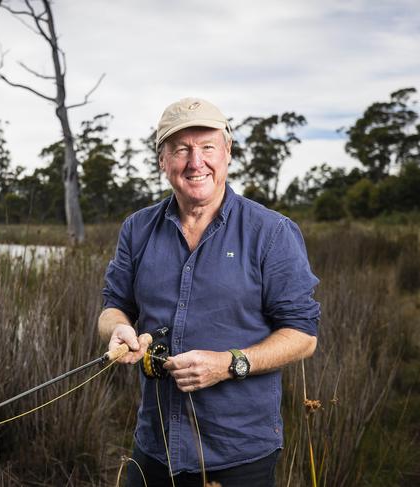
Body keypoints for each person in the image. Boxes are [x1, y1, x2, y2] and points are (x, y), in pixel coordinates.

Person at [98, 97, 320, 487]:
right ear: (162, 160)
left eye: (207, 147)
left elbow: (303, 336)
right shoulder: (137, 229)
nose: (195, 162)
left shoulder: (272, 232)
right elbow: (114, 306)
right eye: (181, 149)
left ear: (228, 152)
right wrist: (117, 329)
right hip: (155, 446)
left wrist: (229, 364)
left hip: (239, 452)